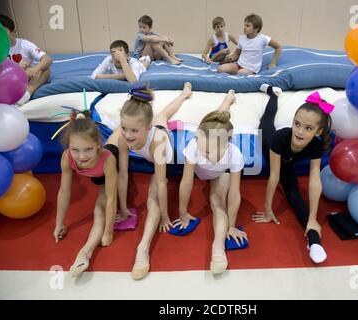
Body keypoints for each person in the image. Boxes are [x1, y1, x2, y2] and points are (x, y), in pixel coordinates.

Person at [105, 82, 193, 280]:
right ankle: (184, 94)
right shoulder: (123, 137)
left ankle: (142, 248)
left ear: (147, 127)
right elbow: (123, 174)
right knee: (163, 115)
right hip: (154, 136)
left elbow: (162, 183)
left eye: (134, 131)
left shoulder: (158, 141)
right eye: (124, 128)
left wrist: (164, 215)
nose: (128, 135)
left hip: (166, 158)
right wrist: (124, 207)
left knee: (152, 197)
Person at [253, 84, 334, 264]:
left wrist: (313, 218)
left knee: (294, 195)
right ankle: (272, 93)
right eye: (297, 124)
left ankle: (314, 241)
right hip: (270, 144)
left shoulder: (316, 145)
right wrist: (267, 210)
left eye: (308, 128)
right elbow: (274, 176)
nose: (299, 131)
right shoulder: (280, 138)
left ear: (318, 131)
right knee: (267, 120)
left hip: (288, 161)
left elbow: (315, 178)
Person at [176, 89, 246, 275]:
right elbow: (186, 183)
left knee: (217, 202)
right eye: (203, 149)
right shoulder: (195, 146)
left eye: (208, 152)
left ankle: (218, 249)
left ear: (226, 146)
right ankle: (227, 99)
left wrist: (231, 225)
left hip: (218, 175)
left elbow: (235, 193)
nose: (204, 154)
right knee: (217, 117)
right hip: (201, 168)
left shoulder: (234, 153)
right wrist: (183, 212)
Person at [53, 113, 119, 277]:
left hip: (109, 163)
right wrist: (59, 223)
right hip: (97, 175)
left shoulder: (108, 159)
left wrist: (108, 231)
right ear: (68, 146)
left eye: (88, 149)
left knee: (99, 209)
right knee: (115, 134)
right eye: (75, 149)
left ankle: (84, 253)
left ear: (97, 144)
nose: (81, 156)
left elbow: (112, 198)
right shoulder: (67, 157)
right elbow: (64, 191)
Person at [0, 14, 53, 105]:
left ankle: (27, 93)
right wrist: (16, 68)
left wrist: (34, 69)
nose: (0, 36)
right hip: (8, 81)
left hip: (26, 78)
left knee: (46, 69)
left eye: (3, 32)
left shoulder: (24, 44)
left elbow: (47, 59)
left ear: (13, 32)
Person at [217, 14, 281, 75]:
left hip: (251, 69)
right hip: (238, 65)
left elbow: (278, 47)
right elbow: (237, 53)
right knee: (220, 69)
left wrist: (273, 63)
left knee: (240, 73)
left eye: (247, 26)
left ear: (256, 29)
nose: (244, 27)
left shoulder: (262, 38)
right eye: (244, 25)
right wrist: (229, 58)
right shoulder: (241, 38)